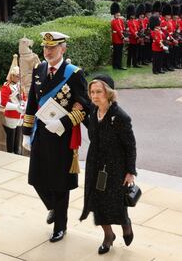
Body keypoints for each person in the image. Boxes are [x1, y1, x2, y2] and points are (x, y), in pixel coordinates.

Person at [21, 32, 91, 242]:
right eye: (45, 47)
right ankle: (53, 208)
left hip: (62, 137)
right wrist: (26, 132)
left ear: (63, 49)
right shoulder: (39, 69)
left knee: (60, 183)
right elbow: (32, 103)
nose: (47, 51)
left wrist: (62, 123)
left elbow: (84, 107)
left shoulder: (74, 73)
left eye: (52, 48)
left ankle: (60, 226)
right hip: (41, 134)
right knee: (36, 179)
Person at [80, 74, 137, 255]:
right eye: (92, 92)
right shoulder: (92, 110)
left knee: (114, 203)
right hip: (94, 163)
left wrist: (130, 171)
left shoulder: (120, 117)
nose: (95, 96)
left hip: (115, 166)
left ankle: (125, 224)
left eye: (99, 92)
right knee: (96, 201)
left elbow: (130, 145)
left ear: (109, 93)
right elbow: (92, 127)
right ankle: (108, 235)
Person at [0, 54, 26, 154]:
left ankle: (16, 152)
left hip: (20, 115)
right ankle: (10, 153)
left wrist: (23, 104)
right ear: (12, 76)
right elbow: (4, 103)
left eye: (19, 76)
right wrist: (17, 107)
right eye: (16, 76)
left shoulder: (20, 85)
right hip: (11, 114)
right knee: (11, 136)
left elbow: (23, 97)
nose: (18, 78)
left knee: (18, 135)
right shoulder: (6, 86)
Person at [110, 2, 127, 70]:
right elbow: (118, 30)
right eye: (117, 13)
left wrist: (124, 34)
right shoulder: (113, 21)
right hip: (116, 39)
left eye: (118, 13)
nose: (118, 14)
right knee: (116, 52)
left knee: (120, 52)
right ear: (114, 14)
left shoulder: (120, 20)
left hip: (120, 38)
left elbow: (123, 28)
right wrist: (123, 37)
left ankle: (119, 65)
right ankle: (115, 65)